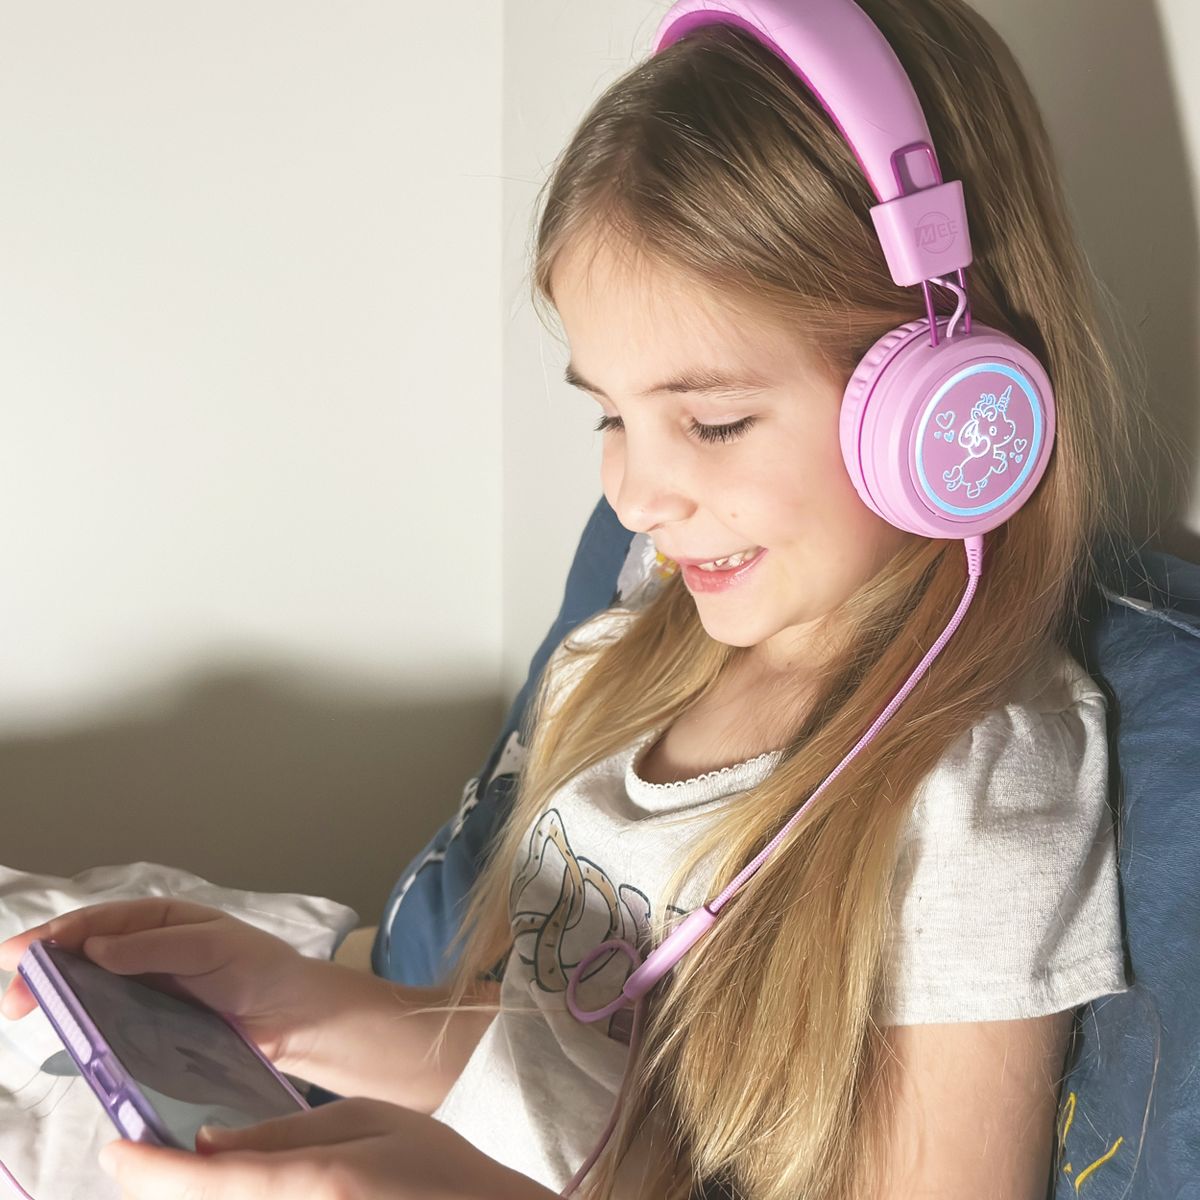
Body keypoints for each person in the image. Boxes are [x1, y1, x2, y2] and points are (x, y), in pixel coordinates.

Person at [0, 0, 1157, 1196]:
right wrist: (301, 1008)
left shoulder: (972, 782)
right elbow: (557, 1075)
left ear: (950, 409)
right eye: (609, 413)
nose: (634, 494)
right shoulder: (625, 657)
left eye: (713, 422)